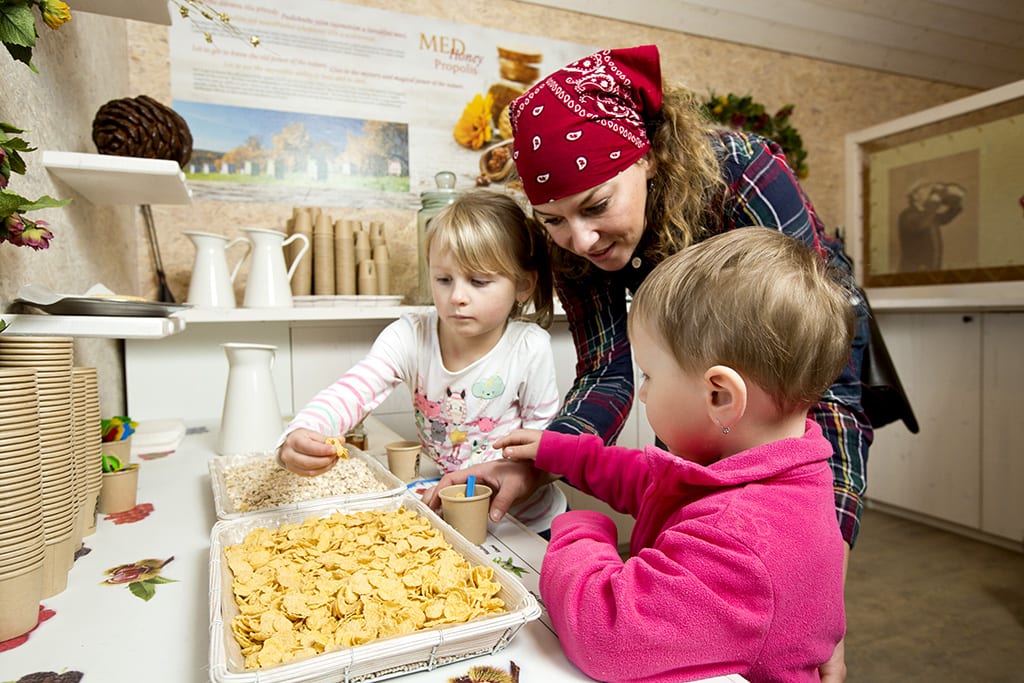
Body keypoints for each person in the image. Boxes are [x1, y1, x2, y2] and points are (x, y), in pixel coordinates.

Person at [422, 44, 868, 680]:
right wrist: (542, 460)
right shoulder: (704, 421)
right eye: (552, 220)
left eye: (597, 206)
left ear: (650, 155)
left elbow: (826, 391)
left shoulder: (742, 176)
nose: (578, 239)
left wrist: (826, 605)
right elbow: (610, 373)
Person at [493, 227, 852, 682]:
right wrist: (561, 453)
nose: (642, 392)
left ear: (720, 396)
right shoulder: (776, 466)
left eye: (648, 375)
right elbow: (654, 482)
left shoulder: (736, 539)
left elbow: (605, 633)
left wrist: (580, 529)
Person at [276, 190, 566, 534]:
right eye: (444, 279)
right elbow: (352, 391)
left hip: (527, 522)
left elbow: (547, 442)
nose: (457, 296)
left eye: (479, 281)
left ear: (523, 285)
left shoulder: (529, 348)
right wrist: (304, 431)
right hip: (458, 518)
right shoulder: (409, 335)